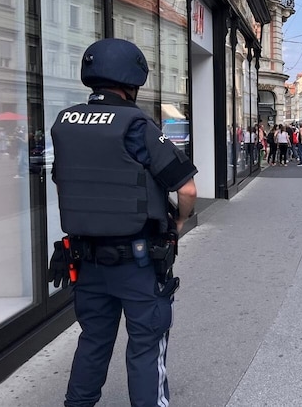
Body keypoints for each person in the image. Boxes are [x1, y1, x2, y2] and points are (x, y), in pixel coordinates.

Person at [47, 38, 197, 407]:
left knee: (93, 342)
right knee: (146, 347)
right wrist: (178, 222)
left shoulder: (64, 121)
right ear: (132, 79)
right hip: (138, 262)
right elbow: (188, 188)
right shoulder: (135, 123)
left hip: (86, 261)